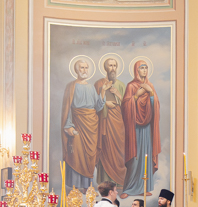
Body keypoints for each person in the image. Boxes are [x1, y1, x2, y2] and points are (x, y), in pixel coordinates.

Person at [62, 56, 104, 191]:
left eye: (86, 68)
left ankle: (88, 186)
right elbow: (68, 108)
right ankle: (75, 186)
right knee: (77, 153)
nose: (84, 70)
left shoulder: (91, 87)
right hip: (78, 123)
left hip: (92, 125)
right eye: (82, 67)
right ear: (76, 70)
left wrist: (102, 94)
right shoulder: (71, 86)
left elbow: (97, 107)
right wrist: (68, 125)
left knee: (89, 155)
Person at [122, 60, 161, 196]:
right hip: (135, 129)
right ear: (136, 70)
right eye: (141, 68)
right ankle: (129, 188)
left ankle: (144, 187)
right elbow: (126, 106)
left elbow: (156, 105)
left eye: (146, 67)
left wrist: (151, 94)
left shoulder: (150, 86)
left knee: (146, 157)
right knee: (135, 158)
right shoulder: (131, 86)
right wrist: (136, 96)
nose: (144, 70)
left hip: (147, 129)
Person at [94, 57, 127, 188]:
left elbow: (129, 107)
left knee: (119, 151)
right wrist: (105, 102)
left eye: (114, 65)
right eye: (110, 66)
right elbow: (95, 106)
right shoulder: (98, 84)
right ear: (105, 68)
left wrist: (118, 94)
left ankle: (119, 181)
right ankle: (104, 181)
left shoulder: (121, 85)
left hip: (119, 124)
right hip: (105, 123)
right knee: (106, 149)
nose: (112, 68)